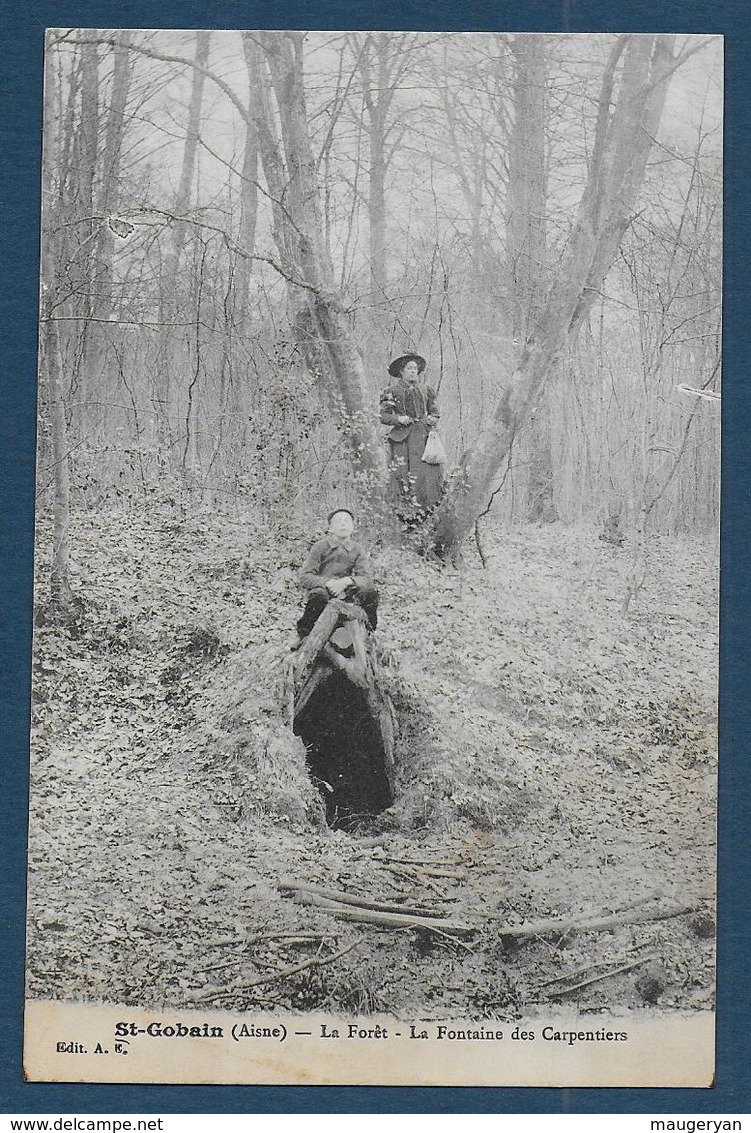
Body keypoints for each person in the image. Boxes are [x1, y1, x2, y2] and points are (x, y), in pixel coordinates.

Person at [379, 353, 444, 523]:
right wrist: (398, 419)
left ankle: (427, 515)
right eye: (410, 368)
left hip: (424, 438)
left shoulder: (426, 390)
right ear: (402, 371)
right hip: (403, 441)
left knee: (427, 477)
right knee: (402, 477)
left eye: (416, 368)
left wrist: (432, 419)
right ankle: (403, 517)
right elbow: (383, 416)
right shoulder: (391, 392)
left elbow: (435, 412)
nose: (414, 372)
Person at [296, 509, 379, 638]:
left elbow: (366, 578)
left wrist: (347, 581)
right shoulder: (320, 547)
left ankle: (368, 634)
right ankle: (306, 635)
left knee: (370, 594)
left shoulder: (357, 549)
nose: (343, 524)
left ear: (352, 528)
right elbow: (305, 577)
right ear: (330, 528)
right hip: (325, 593)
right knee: (318, 595)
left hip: (349, 596)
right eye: (338, 521)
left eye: (347, 521)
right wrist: (328, 583)